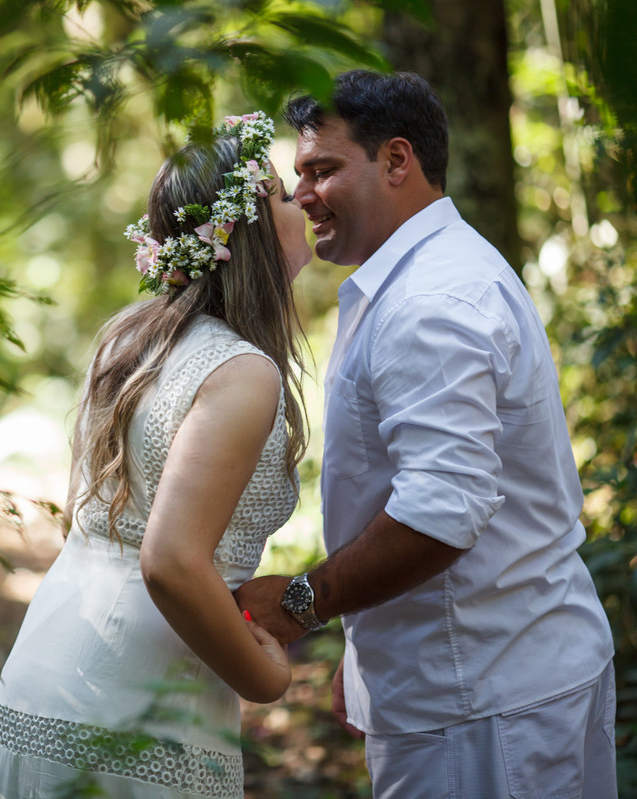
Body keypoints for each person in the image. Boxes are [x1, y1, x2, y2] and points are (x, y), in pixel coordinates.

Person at [236, 71, 617, 798]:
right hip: (472, 678)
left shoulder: (432, 300)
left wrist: (301, 603)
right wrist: (369, 655)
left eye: (323, 170)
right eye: (299, 175)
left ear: (398, 161)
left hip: (486, 699)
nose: (304, 194)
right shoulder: (418, 277)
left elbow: (440, 514)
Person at [0, 112, 313, 798]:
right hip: (139, 702)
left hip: (44, 670)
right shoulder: (242, 372)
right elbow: (171, 560)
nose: (303, 200)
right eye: (283, 193)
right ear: (246, 226)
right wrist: (265, 676)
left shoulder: (130, 336)